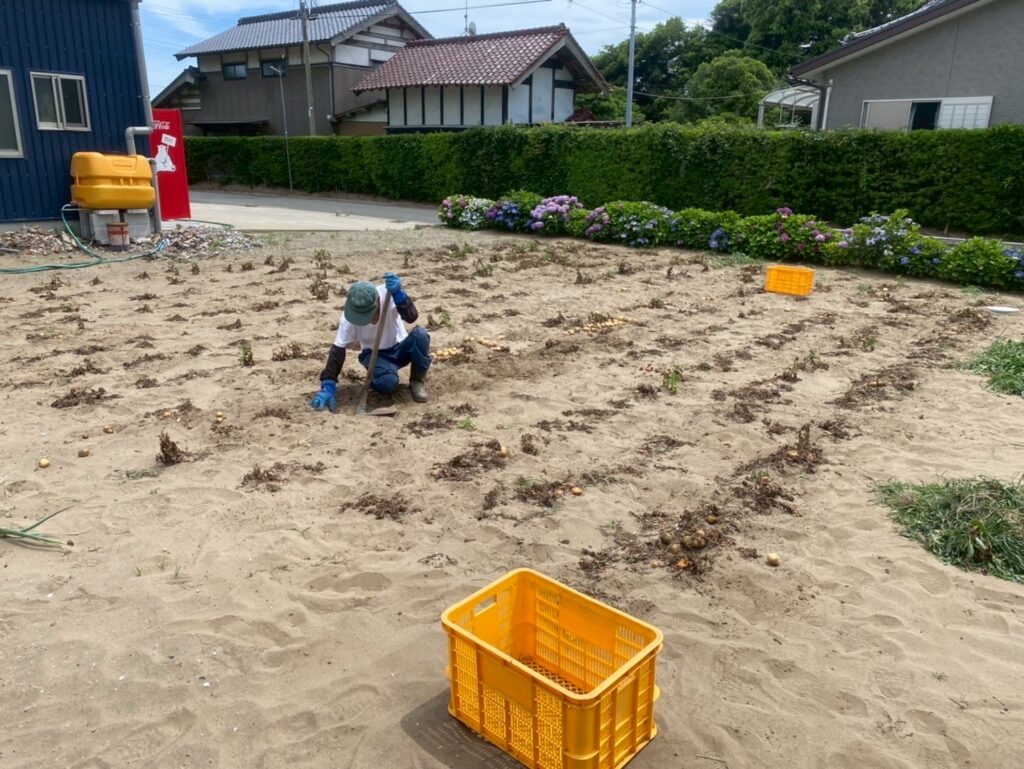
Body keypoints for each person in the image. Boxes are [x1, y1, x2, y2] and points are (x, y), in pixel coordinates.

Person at [310, 272, 431, 411]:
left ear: (377, 301)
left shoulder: (388, 294)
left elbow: (411, 317)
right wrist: (328, 386)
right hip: (375, 356)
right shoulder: (348, 317)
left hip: (400, 347)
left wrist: (399, 294)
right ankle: (378, 377)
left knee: (421, 335)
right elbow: (338, 350)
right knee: (388, 384)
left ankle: (417, 382)